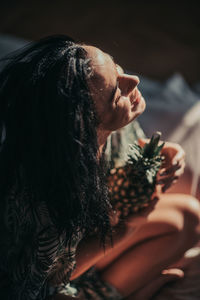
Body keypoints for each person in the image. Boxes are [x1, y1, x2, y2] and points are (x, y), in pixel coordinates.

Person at [0, 35, 199, 300]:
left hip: (104, 225)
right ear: (85, 130)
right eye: (117, 93)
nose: (134, 81)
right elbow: (51, 279)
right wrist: (124, 230)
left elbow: (130, 147)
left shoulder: (98, 131)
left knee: (190, 206)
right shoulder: (46, 204)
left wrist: (162, 151)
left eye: (117, 68)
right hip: (58, 273)